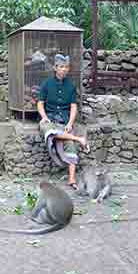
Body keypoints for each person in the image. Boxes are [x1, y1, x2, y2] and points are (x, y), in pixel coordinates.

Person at [37, 54, 89, 190]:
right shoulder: (46, 84)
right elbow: (40, 103)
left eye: (66, 67)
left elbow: (73, 106)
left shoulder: (71, 86)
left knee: (70, 145)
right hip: (49, 120)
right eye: (61, 67)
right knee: (50, 131)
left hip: (64, 121)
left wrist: (70, 123)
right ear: (55, 68)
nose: (64, 70)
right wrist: (43, 116)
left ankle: (71, 179)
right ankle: (79, 138)